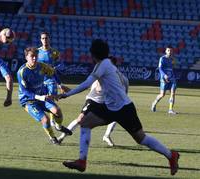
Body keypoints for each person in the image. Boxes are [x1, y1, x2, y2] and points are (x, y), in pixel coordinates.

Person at [57, 39, 179, 175]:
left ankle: (171, 155)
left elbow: (87, 83)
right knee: (85, 123)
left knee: (141, 138)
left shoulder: (103, 65)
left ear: (93, 55)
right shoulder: (106, 63)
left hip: (124, 108)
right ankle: (82, 161)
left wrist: (67, 94)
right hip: (110, 108)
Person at [57, 57, 129, 147]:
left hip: (106, 103)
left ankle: (106, 136)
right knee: (80, 119)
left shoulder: (123, 79)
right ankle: (62, 136)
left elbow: (124, 95)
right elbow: (84, 85)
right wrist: (68, 94)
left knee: (117, 115)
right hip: (93, 100)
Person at [17, 47, 72, 145]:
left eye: (36, 56)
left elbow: (53, 72)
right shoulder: (22, 71)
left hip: (42, 96)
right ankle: (52, 137)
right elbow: (25, 91)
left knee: (57, 111)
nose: (34, 58)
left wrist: (60, 84)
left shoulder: (42, 66)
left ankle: (58, 126)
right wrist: (40, 97)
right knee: (45, 119)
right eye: (32, 56)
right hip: (28, 101)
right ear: (26, 57)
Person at [37, 32, 68, 126]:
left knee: (51, 99)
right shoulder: (37, 52)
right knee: (41, 100)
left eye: (46, 38)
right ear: (40, 40)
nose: (44, 40)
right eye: (43, 38)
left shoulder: (54, 52)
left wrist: (55, 69)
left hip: (50, 80)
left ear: (49, 39)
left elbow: (61, 64)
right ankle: (44, 117)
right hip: (40, 80)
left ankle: (52, 120)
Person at [151, 46, 177, 114]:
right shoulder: (162, 58)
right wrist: (164, 75)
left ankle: (170, 110)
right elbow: (160, 68)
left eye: (171, 50)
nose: (170, 52)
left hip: (172, 78)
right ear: (166, 51)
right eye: (168, 50)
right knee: (162, 94)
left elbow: (172, 68)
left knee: (173, 93)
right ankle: (154, 103)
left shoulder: (172, 59)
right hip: (164, 78)